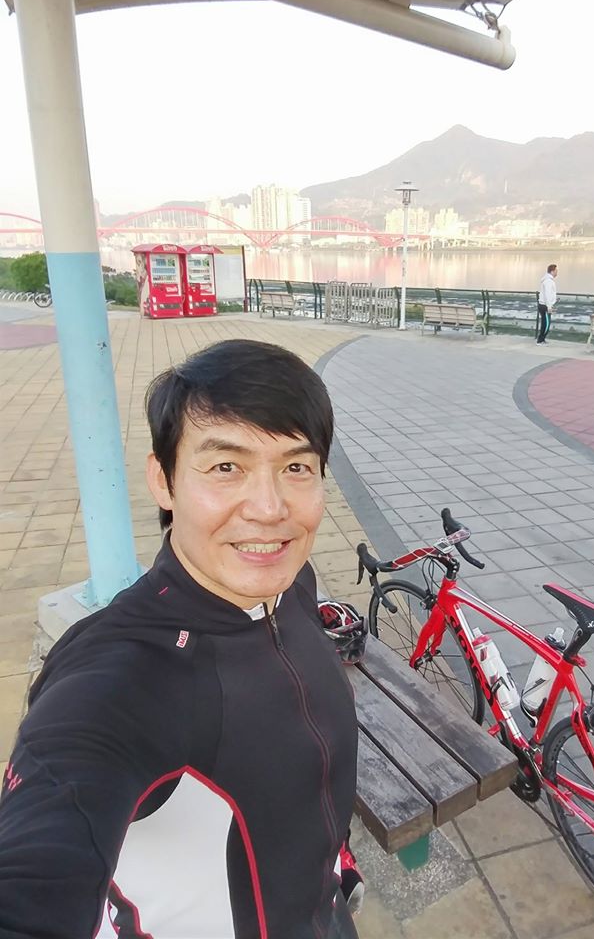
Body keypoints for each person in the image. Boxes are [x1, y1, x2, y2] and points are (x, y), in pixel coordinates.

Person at [0, 339, 361, 939]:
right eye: (226, 467)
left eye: (296, 467)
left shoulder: (291, 586)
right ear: (163, 481)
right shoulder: (116, 680)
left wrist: (336, 867)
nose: (270, 509)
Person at [537, 263, 558, 344]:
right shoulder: (548, 281)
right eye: (556, 271)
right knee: (546, 323)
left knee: (545, 322)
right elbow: (547, 294)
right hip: (545, 306)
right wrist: (549, 306)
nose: (557, 273)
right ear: (552, 271)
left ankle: (542, 339)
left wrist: (554, 300)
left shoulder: (548, 280)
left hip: (545, 305)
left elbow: (549, 294)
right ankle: (540, 340)